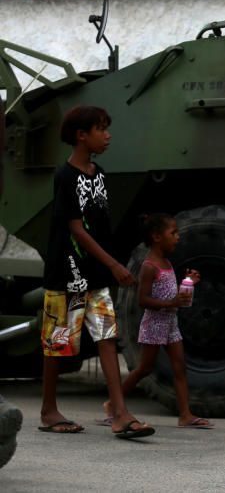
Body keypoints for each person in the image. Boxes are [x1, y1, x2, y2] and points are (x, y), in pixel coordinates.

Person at [38, 105, 154, 439]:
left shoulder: (99, 173)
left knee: (106, 337)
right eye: (101, 129)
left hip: (97, 276)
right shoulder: (66, 177)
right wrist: (114, 264)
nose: (108, 135)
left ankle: (120, 412)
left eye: (107, 128)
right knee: (58, 343)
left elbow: (100, 225)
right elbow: (76, 229)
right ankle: (48, 410)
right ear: (81, 135)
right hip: (69, 273)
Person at [101, 213, 213, 428]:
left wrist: (189, 283)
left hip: (171, 323)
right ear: (157, 237)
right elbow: (143, 300)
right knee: (145, 368)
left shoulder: (167, 262)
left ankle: (185, 415)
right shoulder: (149, 266)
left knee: (180, 367)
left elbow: (170, 293)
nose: (178, 237)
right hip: (154, 324)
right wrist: (171, 304)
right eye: (173, 233)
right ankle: (112, 403)